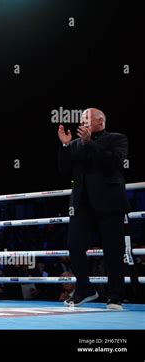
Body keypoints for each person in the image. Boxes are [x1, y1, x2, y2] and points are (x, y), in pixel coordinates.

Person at [58, 108, 130, 310]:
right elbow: (64, 170)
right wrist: (65, 145)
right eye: (81, 119)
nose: (82, 121)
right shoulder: (76, 144)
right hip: (82, 205)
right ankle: (85, 289)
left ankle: (115, 296)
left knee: (113, 251)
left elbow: (114, 163)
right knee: (74, 245)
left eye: (86, 118)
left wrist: (91, 143)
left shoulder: (117, 138)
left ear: (101, 121)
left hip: (110, 203)